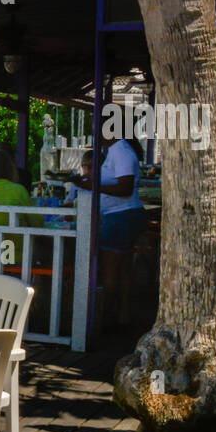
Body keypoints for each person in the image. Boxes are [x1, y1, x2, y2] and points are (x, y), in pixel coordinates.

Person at [69, 137, 147, 326]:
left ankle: (105, 318)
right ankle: (122, 315)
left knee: (110, 270)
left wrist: (90, 186)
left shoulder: (120, 150)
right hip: (125, 215)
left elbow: (124, 188)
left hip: (119, 217)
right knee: (123, 268)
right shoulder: (118, 151)